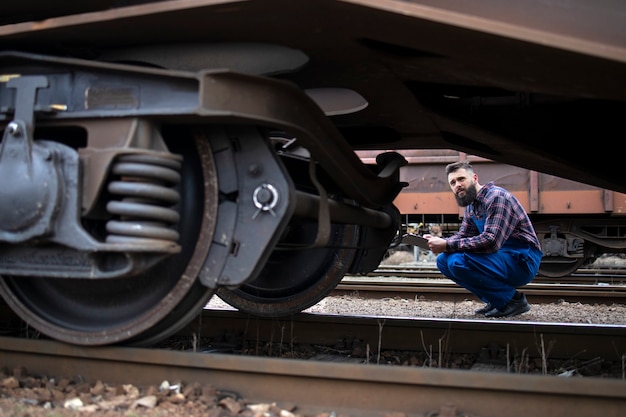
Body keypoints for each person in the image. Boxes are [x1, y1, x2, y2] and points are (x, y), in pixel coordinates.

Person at [424, 161, 543, 318]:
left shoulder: (496, 197)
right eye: (453, 182)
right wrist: (439, 241)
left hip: (522, 259)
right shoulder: (471, 206)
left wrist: (446, 244)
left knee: (456, 261)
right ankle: (497, 301)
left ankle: (512, 301)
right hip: (501, 256)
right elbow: (463, 236)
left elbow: (491, 241)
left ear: (474, 178)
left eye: (461, 179)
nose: (457, 185)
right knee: (443, 261)